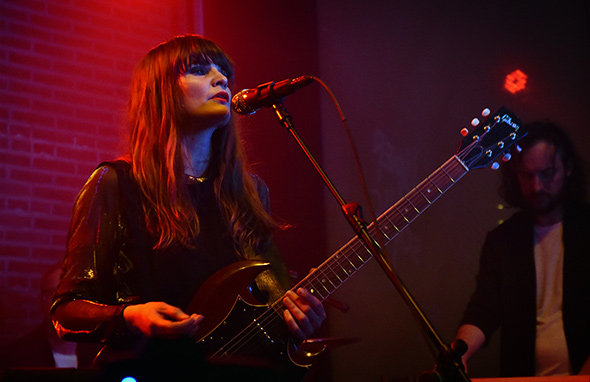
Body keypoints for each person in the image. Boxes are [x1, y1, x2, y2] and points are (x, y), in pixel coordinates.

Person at [50, 34, 325, 381]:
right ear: (161, 92)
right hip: (147, 370)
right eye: (199, 70)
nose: (221, 78)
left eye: (223, 71)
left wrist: (297, 319)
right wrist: (129, 316)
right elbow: (66, 311)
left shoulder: (251, 193)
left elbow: (271, 299)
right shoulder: (116, 183)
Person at [454, 121, 590, 377]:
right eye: (527, 175)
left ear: (568, 167)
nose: (537, 186)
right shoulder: (503, 240)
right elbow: (484, 308)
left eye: (547, 173)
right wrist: (459, 353)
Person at [0, 262, 99, 372]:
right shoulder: (15, 356)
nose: (60, 302)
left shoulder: (99, 356)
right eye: (52, 293)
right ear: (41, 300)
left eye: (68, 294)